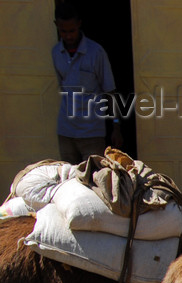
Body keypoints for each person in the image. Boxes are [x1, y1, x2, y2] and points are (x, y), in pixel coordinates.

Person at [52, 3, 123, 164]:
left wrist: (116, 126)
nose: (68, 36)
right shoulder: (56, 53)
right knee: (69, 182)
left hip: (92, 133)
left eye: (72, 31)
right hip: (66, 132)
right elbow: (62, 87)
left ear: (79, 24)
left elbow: (109, 90)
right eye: (63, 31)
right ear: (56, 26)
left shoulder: (96, 52)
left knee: (93, 182)